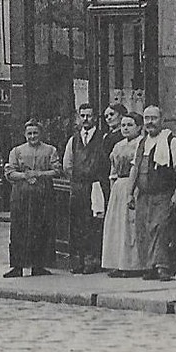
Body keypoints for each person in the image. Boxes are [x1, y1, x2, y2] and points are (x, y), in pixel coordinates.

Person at [127, 105, 176, 281]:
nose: (150, 122)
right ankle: (149, 266)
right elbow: (135, 168)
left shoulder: (171, 141)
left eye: (153, 118)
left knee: (160, 228)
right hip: (144, 194)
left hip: (162, 194)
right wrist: (130, 193)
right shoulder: (142, 142)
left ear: (162, 120)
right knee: (143, 230)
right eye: (146, 118)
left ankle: (162, 267)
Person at [62, 103, 115, 274]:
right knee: (77, 224)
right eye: (83, 115)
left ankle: (93, 260)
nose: (86, 119)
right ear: (78, 117)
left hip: (96, 186)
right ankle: (78, 260)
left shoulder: (103, 138)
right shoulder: (74, 139)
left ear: (95, 118)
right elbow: (67, 165)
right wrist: (76, 181)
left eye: (89, 116)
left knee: (94, 224)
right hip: (78, 187)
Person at [3, 119, 59, 277]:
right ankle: (17, 266)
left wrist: (39, 174)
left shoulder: (50, 150)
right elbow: (9, 172)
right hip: (21, 194)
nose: (32, 136)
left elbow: (57, 170)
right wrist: (24, 176)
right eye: (29, 133)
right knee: (19, 228)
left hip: (42, 193)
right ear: (24, 134)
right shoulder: (16, 151)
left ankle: (38, 265)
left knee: (41, 227)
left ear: (40, 134)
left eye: (35, 133)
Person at [102, 108, 145, 277]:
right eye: (123, 125)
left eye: (130, 125)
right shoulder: (118, 145)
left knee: (131, 225)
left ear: (139, 127)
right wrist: (113, 185)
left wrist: (131, 190)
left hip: (133, 185)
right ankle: (117, 263)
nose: (125, 128)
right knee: (117, 225)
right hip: (119, 186)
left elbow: (137, 167)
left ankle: (132, 265)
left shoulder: (141, 143)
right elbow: (113, 169)